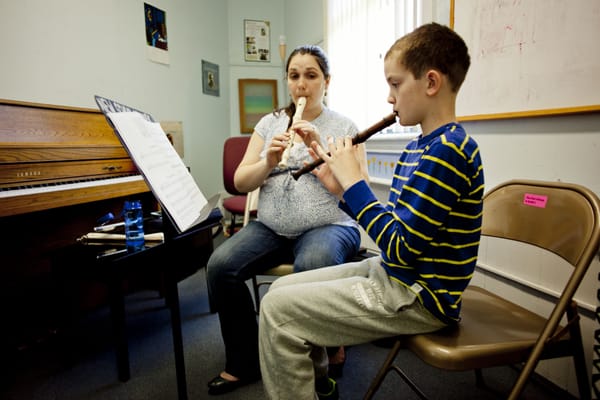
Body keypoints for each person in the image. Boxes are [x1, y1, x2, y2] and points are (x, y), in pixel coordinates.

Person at [258, 22, 484, 400]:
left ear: (430, 83)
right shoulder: (419, 147)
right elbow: (395, 231)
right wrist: (340, 189)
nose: (389, 98)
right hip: (395, 274)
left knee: (279, 311)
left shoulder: (449, 152)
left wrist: (356, 185)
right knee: (279, 290)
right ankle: (317, 385)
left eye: (395, 85)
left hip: (419, 295)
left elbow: (400, 248)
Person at [206, 45, 368, 396]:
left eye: (311, 76)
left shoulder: (344, 125)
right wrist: (268, 161)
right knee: (220, 265)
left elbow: (360, 190)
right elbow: (240, 181)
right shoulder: (269, 123)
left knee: (313, 263)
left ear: (326, 81)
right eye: (294, 76)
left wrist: (319, 148)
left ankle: (316, 361)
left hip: (330, 225)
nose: (301, 85)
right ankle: (244, 360)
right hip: (273, 227)